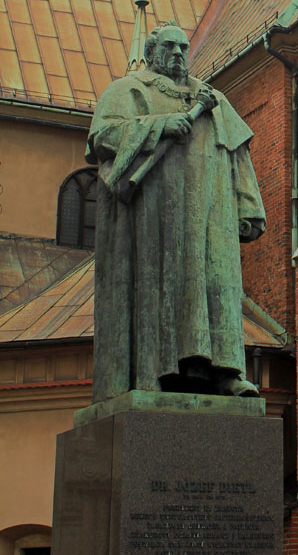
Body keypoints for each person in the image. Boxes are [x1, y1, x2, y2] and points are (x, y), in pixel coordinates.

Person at [87, 21, 266, 400]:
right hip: (157, 216)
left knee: (218, 289)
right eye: (170, 47)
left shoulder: (211, 98)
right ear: (152, 52)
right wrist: (159, 126)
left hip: (212, 215)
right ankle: (151, 374)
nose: (179, 54)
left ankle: (226, 374)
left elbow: (237, 152)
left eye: (184, 47)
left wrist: (248, 204)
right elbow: (102, 138)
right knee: (161, 290)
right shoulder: (129, 91)